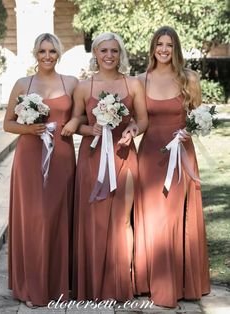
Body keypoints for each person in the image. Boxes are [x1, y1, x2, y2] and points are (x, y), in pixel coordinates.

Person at [125, 26, 211, 307]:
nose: (163, 49)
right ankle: (150, 282)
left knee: (174, 217)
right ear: (152, 48)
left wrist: (192, 130)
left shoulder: (189, 79)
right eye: (159, 44)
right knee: (151, 218)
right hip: (150, 155)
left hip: (180, 154)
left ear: (176, 49)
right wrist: (129, 133)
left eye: (169, 45)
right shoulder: (140, 80)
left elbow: (198, 116)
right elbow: (138, 120)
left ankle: (177, 283)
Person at [65, 32, 148, 301]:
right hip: (93, 159)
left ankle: (122, 283)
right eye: (104, 51)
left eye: (114, 51)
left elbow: (143, 121)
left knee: (123, 220)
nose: (109, 56)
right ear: (95, 54)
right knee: (94, 221)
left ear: (120, 53)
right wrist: (90, 128)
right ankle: (92, 285)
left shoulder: (133, 84)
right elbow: (74, 121)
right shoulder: (82, 86)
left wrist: (133, 129)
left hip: (124, 155)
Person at [3, 33, 78, 307]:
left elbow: (81, 113)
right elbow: (8, 123)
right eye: (43, 51)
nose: (47, 56)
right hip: (30, 157)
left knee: (57, 216)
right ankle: (32, 284)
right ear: (35, 53)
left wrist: (75, 123)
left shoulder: (70, 82)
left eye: (52, 52)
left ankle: (58, 284)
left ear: (58, 54)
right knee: (34, 219)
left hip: (61, 157)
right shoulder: (23, 83)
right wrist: (28, 128)